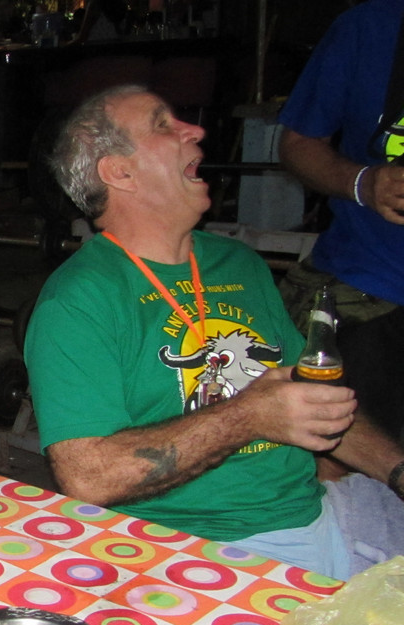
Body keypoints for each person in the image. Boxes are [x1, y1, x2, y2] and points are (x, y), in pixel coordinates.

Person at [25, 85, 404, 581]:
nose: (196, 130)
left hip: (319, 514)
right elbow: (88, 476)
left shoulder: (238, 262)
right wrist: (249, 417)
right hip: (206, 547)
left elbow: (312, 401)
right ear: (119, 172)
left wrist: (396, 468)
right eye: (163, 125)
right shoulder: (79, 299)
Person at [278, 0, 404, 445]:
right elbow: (298, 143)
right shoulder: (370, 28)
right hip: (372, 289)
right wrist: (363, 183)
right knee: (336, 453)